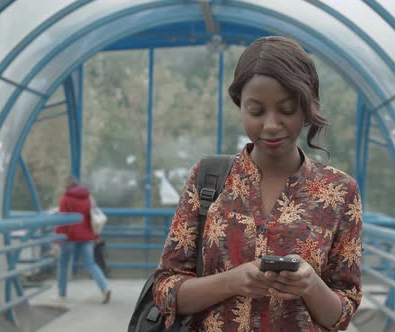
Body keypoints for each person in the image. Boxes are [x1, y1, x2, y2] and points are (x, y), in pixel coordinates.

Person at [153, 36, 362, 331]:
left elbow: (342, 313)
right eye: (256, 111)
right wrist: (230, 281)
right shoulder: (209, 178)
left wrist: (310, 284)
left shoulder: (340, 192)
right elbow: (165, 288)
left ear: (306, 108)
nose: (271, 125)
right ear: (240, 106)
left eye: (287, 110)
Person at [54, 176, 111, 304]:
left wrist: (57, 241)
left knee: (63, 264)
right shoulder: (88, 198)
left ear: (66, 186)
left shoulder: (65, 199)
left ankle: (62, 294)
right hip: (87, 237)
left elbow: (62, 222)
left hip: (70, 237)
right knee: (91, 264)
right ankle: (105, 288)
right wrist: (95, 236)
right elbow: (93, 219)